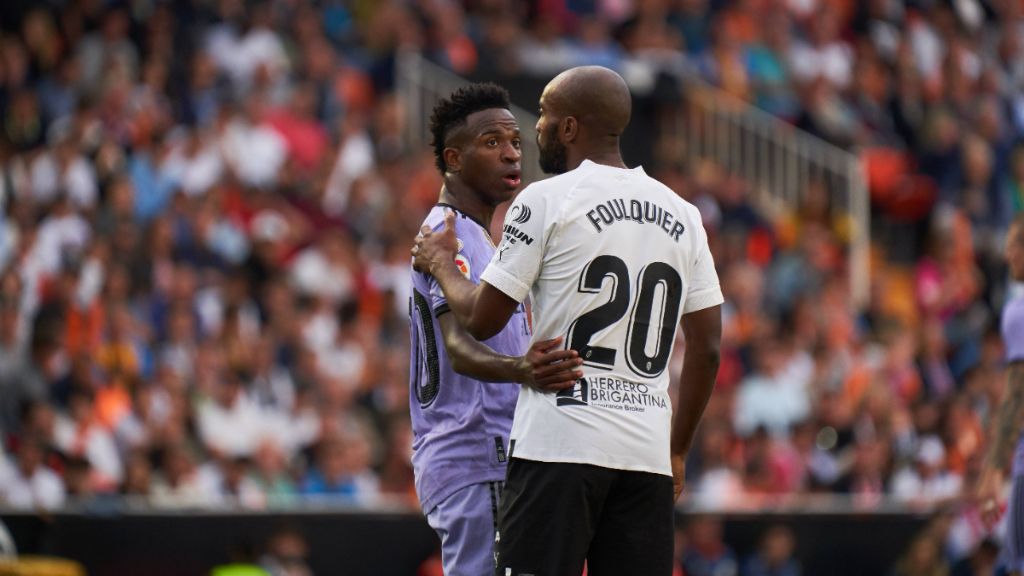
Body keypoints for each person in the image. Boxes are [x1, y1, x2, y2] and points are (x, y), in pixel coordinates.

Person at [413, 66, 723, 575]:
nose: (533, 130)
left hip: (560, 445)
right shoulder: (684, 213)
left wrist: (442, 264)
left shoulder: (546, 198)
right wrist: (679, 449)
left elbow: (482, 320)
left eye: (542, 115)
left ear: (570, 128)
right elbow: (708, 348)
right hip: (645, 456)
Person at [409, 82, 583, 576]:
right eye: (492, 143)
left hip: (492, 454)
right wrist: (523, 369)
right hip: (475, 449)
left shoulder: (480, 236)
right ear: (454, 158)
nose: (511, 154)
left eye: (515, 142)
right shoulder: (448, 235)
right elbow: (460, 351)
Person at [976, 213, 1024, 576]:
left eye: (1013, 245)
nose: (1007, 255)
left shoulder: (1019, 312)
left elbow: (1016, 396)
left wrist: (993, 469)